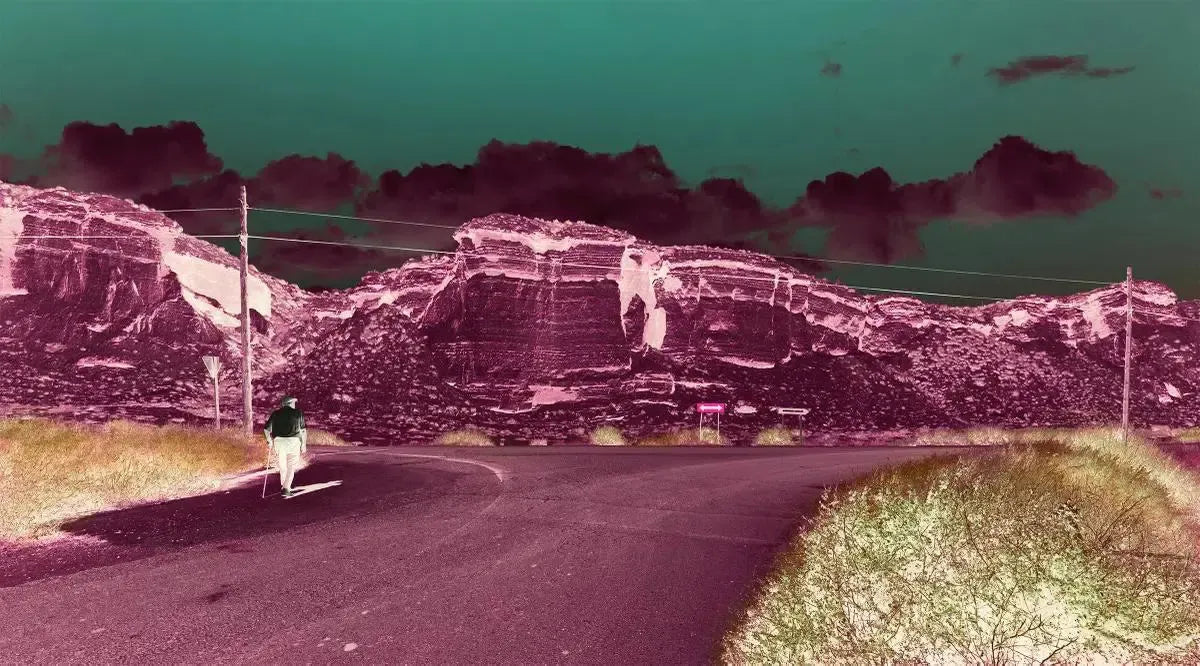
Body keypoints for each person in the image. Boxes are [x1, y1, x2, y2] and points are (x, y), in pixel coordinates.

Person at [263, 395, 307, 497]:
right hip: (293, 442)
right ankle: (286, 488)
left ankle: (284, 486)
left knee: (283, 466)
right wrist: (303, 444)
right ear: (290, 403)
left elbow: (266, 429)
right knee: (291, 466)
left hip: (279, 442)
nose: (295, 405)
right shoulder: (298, 413)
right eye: (294, 403)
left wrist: (269, 440)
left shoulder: (275, 413)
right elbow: (303, 430)